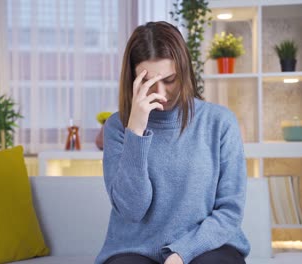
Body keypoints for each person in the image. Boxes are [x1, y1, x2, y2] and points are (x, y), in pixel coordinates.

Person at [95, 21, 250, 264]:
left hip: (207, 246)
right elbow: (132, 210)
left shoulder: (219, 122)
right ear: (133, 80)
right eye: (149, 82)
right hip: (135, 249)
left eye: (170, 80)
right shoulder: (117, 127)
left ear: (185, 72)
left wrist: (182, 253)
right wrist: (135, 130)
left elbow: (230, 212)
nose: (162, 93)